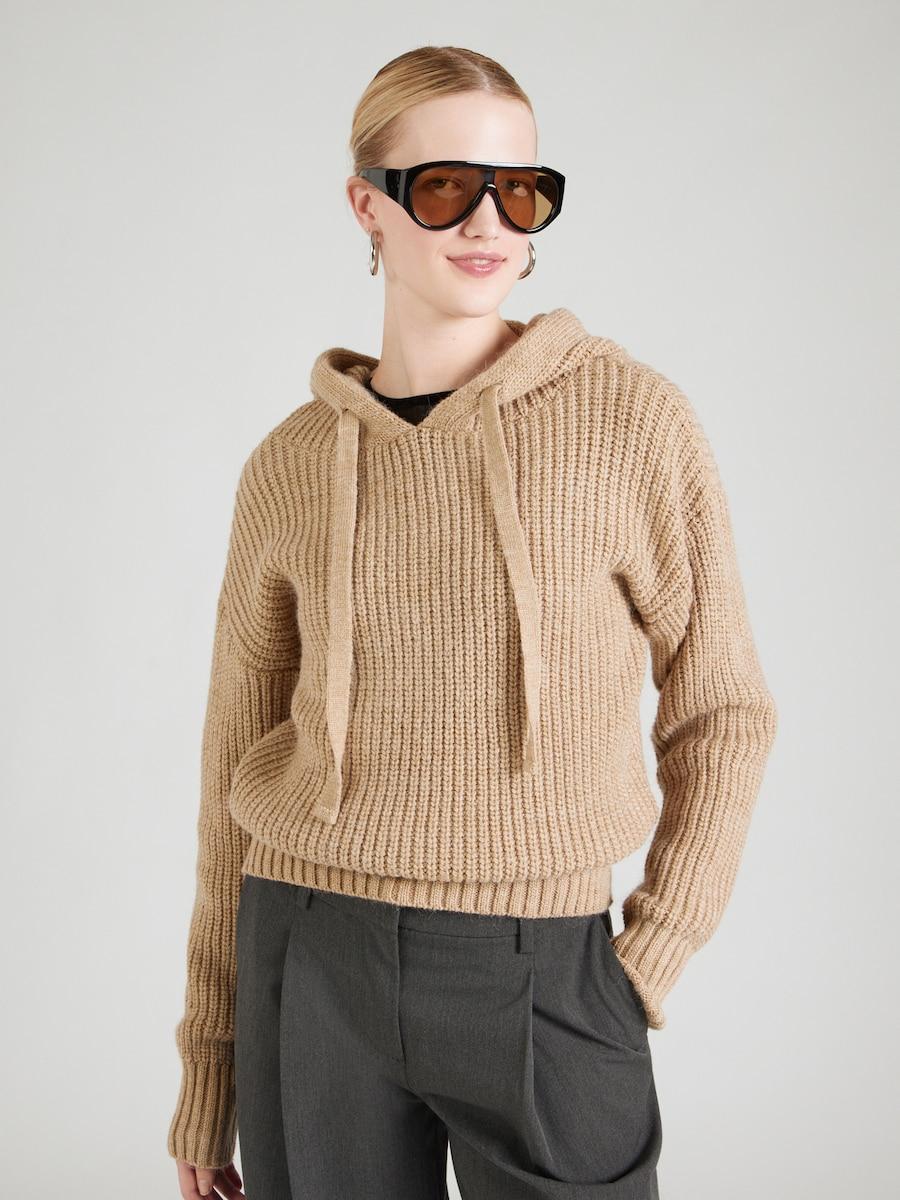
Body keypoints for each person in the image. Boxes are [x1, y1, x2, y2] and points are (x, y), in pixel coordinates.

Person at [168, 44, 778, 1200]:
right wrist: (211, 1059)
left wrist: (647, 957)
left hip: (545, 966)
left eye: (521, 189)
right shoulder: (290, 465)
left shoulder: (630, 423)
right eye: (445, 186)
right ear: (368, 205)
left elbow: (726, 709)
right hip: (310, 949)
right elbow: (227, 764)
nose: (488, 221)